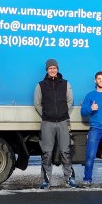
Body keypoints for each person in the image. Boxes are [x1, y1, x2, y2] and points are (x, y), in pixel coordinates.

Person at [34, 58, 75, 188]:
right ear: (47, 70)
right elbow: (37, 104)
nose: (52, 70)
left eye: (54, 68)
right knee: (47, 152)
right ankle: (45, 180)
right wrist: (47, 114)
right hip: (47, 123)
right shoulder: (40, 85)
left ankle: (69, 179)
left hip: (63, 122)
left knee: (65, 151)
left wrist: (62, 112)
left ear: (57, 69)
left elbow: (70, 101)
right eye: (50, 68)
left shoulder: (65, 84)